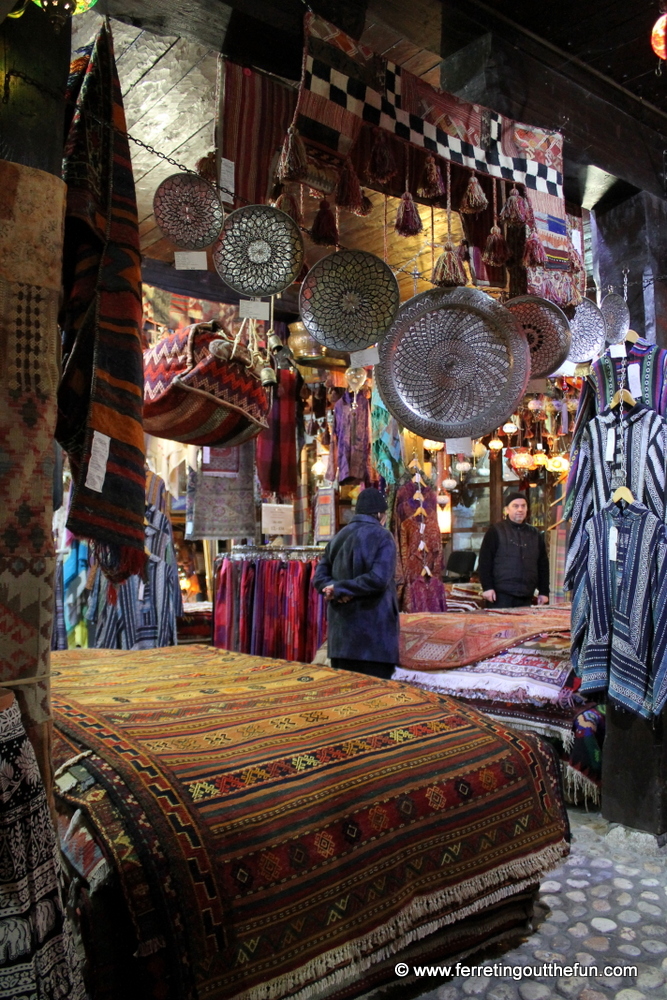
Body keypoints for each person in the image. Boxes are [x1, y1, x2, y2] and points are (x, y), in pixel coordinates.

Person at [312, 487, 399, 679]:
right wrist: (340, 588)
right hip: (374, 640)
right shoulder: (383, 536)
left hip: (341, 639)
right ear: (379, 514)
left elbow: (319, 578)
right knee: (374, 701)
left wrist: (335, 589)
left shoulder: (338, 537)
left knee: (345, 699)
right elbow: (378, 579)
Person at [478, 490, 549, 608]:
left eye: (523, 506)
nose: (520, 509)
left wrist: (544, 592)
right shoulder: (495, 531)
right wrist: (487, 587)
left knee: (524, 626)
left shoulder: (535, 534)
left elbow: (543, 565)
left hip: (527, 595)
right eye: (515, 506)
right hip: (500, 595)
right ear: (507, 510)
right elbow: (485, 561)